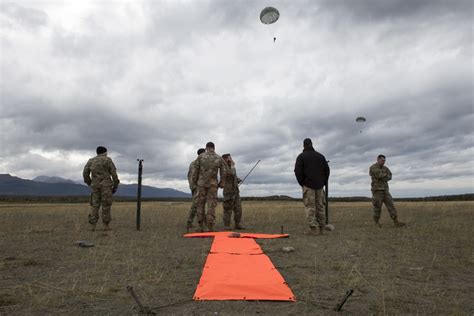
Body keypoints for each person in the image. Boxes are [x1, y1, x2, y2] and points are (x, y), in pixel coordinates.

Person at [294, 138, 330, 236]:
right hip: (320, 186)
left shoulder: (301, 157)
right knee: (320, 206)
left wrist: (303, 183)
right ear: (312, 144)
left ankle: (314, 229)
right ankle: (322, 228)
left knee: (310, 207)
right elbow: (327, 170)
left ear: (304, 145)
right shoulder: (321, 156)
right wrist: (323, 182)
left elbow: (297, 171)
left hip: (308, 186)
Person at [83, 146, 120, 231]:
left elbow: (85, 173)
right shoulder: (108, 160)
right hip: (106, 186)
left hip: (95, 186)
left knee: (95, 205)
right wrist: (115, 185)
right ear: (105, 152)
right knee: (106, 205)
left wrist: (90, 183)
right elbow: (113, 173)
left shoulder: (91, 161)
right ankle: (105, 226)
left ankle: (93, 226)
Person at [192, 142, 226, 232]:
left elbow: (195, 171)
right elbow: (224, 171)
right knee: (211, 205)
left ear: (206, 147)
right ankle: (210, 227)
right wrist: (222, 183)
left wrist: (194, 183)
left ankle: (200, 227)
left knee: (200, 204)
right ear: (214, 148)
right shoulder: (219, 158)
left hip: (201, 184)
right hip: (213, 185)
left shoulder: (201, 157)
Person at [369, 155, 406, 227]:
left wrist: (384, 176)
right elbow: (378, 175)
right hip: (377, 191)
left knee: (391, 205)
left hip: (385, 190)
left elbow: (390, 176)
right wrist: (384, 175)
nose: (383, 162)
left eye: (384, 161)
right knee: (377, 207)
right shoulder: (373, 167)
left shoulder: (385, 168)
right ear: (378, 160)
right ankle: (376, 222)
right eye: (382, 160)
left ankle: (396, 221)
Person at [222, 154, 244, 230]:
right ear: (225, 159)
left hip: (236, 191)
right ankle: (227, 226)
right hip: (228, 192)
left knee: (238, 209)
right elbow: (230, 173)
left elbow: (233, 176)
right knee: (228, 210)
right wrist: (232, 165)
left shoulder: (231, 167)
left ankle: (237, 224)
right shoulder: (224, 167)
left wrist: (237, 179)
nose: (231, 159)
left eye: (231, 158)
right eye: (229, 158)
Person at [186, 148, 206, 229]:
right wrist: (194, 186)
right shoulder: (196, 163)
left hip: (196, 186)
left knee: (200, 204)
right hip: (197, 187)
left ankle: (204, 221)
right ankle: (189, 221)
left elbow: (188, 175)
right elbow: (193, 176)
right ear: (201, 154)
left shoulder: (193, 163)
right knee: (196, 204)